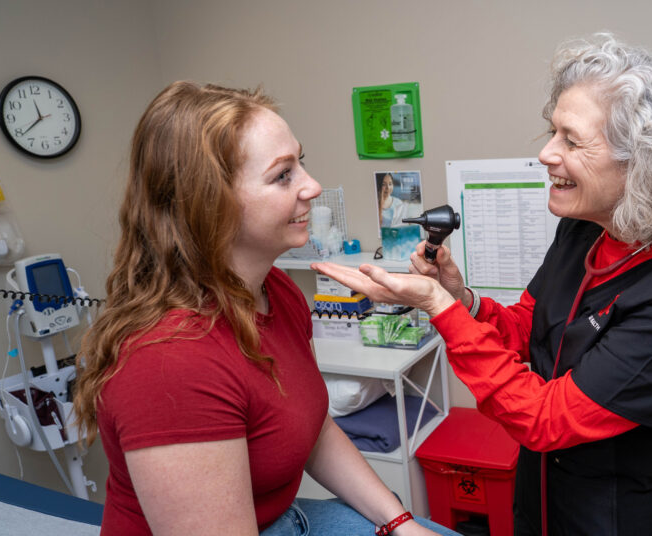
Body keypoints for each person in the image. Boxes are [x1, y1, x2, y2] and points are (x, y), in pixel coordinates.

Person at [313, 33, 652, 536]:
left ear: (644, 161)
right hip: (539, 494)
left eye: (571, 140)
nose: (546, 154)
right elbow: (529, 328)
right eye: (551, 132)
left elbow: (545, 418)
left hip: (613, 514)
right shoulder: (582, 230)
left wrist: (437, 308)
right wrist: (460, 300)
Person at [72, 81, 460, 536]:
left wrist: (399, 522)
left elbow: (310, 427)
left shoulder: (276, 290)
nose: (312, 186)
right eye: (283, 175)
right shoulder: (169, 363)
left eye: (301, 162)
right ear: (209, 203)